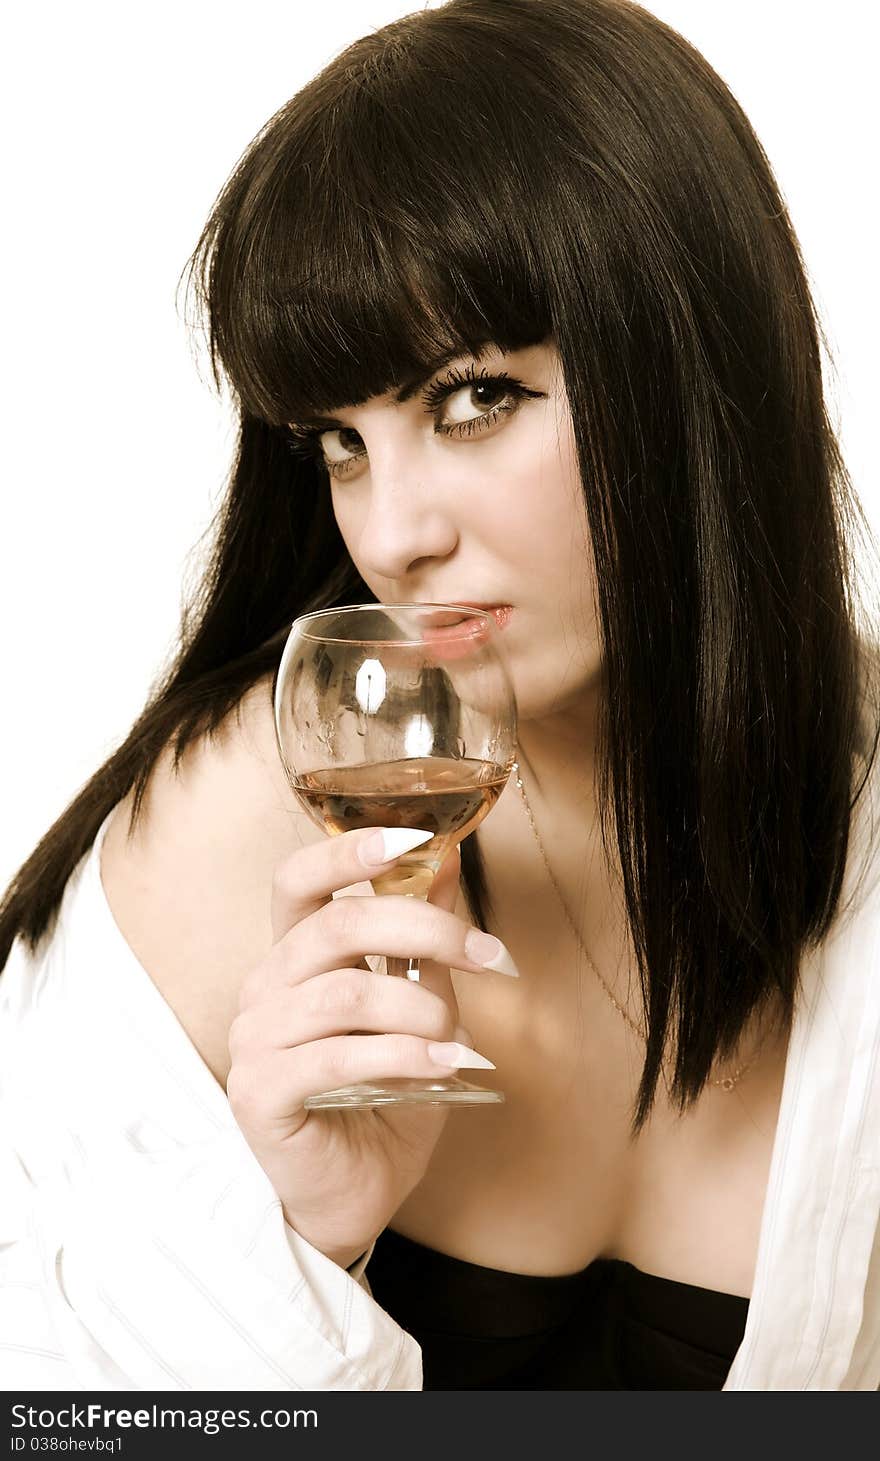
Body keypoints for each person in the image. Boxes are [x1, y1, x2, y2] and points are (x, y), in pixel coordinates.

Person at [1, 0, 879, 1392]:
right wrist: (302, 1243)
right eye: (340, 440)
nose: (391, 529)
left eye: (473, 399)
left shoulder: (864, 835)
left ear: (692, 365)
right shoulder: (257, 822)